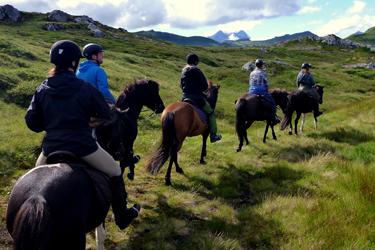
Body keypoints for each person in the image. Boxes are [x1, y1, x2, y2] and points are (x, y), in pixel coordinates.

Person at [25, 40, 139, 230]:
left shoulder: (41, 90)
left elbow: (32, 123)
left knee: (33, 183)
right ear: (73, 63)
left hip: (50, 149)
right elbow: (104, 112)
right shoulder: (84, 88)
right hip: (84, 147)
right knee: (115, 171)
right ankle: (122, 217)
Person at [180, 53, 222, 143]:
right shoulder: (198, 71)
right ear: (195, 62)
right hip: (197, 99)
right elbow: (204, 87)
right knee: (211, 113)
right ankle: (213, 135)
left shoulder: (183, 71)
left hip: (184, 98)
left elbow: (181, 85)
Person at [248, 59, 281, 125]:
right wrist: (267, 90)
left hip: (251, 90)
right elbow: (267, 85)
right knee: (273, 102)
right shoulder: (263, 73)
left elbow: (250, 83)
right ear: (261, 65)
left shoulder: (252, 73)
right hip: (261, 91)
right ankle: (273, 119)